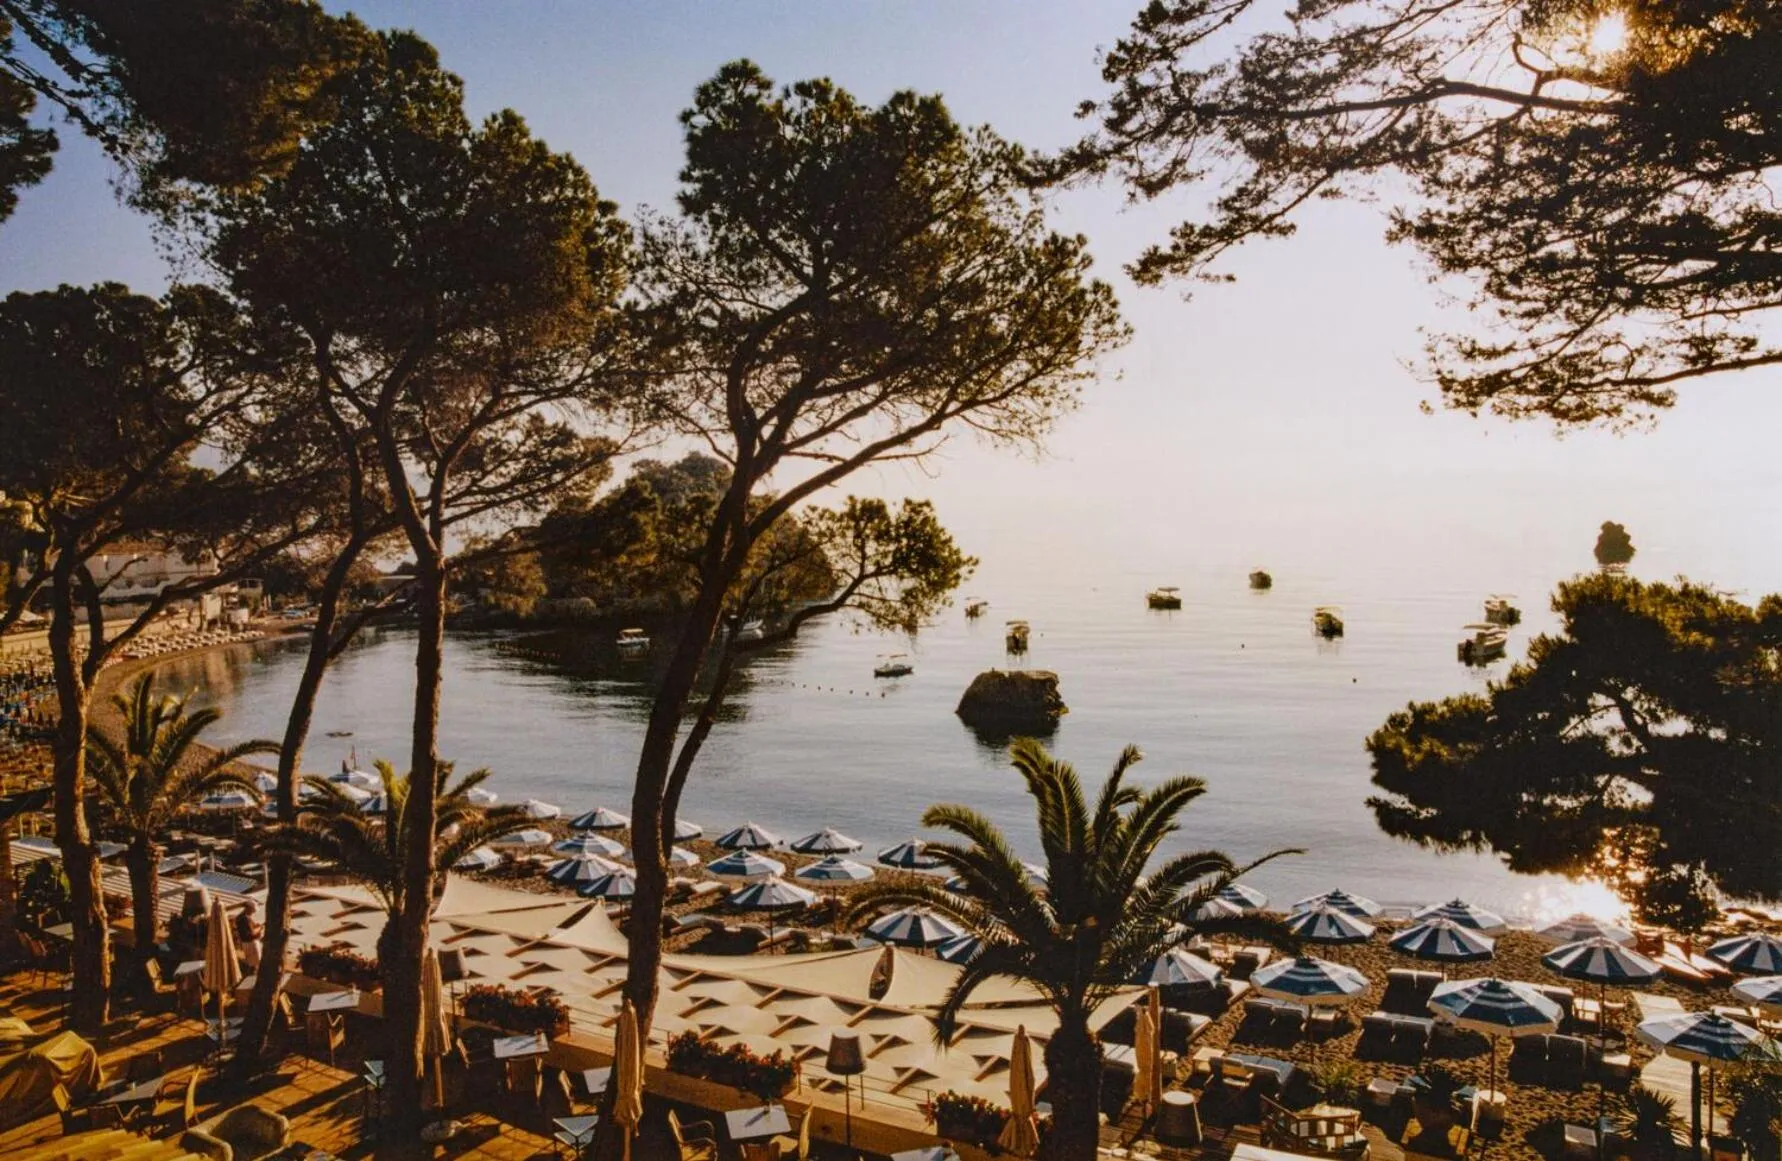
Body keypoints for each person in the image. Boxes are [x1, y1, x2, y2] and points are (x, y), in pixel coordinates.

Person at [234, 900, 264, 970]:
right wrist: (260, 928)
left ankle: (252, 971)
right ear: (249, 909)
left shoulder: (239, 917)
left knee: (250, 961)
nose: (252, 913)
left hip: (245, 943)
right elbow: (251, 933)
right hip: (251, 943)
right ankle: (254, 974)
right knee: (256, 962)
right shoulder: (246, 918)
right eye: (252, 911)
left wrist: (254, 925)